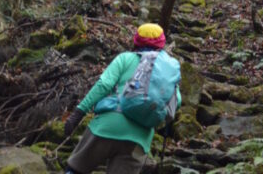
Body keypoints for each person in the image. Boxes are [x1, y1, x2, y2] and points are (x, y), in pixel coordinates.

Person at [62, 22, 179, 174]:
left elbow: (103, 85)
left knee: (75, 170)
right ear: (162, 43)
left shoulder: (125, 58)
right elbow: (176, 102)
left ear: (136, 40)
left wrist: (79, 113)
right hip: (139, 137)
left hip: (107, 126)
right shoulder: (169, 71)